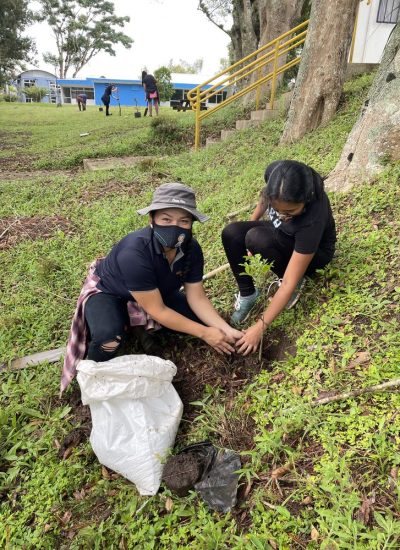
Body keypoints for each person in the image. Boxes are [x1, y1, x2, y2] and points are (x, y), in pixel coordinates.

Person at [61, 182, 242, 393]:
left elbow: (197, 297)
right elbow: (158, 310)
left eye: (183, 221)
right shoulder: (134, 252)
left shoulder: (191, 249)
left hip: (157, 293)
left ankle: (139, 328)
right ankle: (89, 379)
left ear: (192, 224)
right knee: (109, 339)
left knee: (199, 321)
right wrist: (205, 333)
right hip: (112, 292)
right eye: (166, 219)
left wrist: (224, 329)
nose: (175, 227)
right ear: (152, 219)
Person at [222, 160, 336, 356]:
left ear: (305, 200)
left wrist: (259, 327)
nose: (282, 215)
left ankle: (296, 277)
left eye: (290, 211)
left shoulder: (311, 220)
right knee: (232, 233)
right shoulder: (277, 173)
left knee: (256, 238)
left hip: (315, 254)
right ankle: (248, 294)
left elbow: (288, 283)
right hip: (283, 234)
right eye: (278, 210)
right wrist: (253, 222)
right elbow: (265, 196)